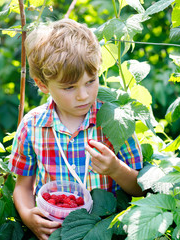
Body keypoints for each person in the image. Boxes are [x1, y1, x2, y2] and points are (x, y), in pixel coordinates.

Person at [8, 18, 144, 240]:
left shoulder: (115, 122)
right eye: (69, 87)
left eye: (91, 81)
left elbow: (141, 188)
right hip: (57, 232)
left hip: (106, 231)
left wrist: (116, 169)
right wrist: (27, 216)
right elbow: (23, 187)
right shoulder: (33, 126)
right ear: (43, 85)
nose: (83, 95)